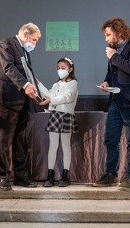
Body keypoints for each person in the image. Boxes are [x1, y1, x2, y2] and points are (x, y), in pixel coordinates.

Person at [93, 17, 130, 191]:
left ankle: (129, 176)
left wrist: (114, 56)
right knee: (111, 140)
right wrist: (106, 82)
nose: (106, 39)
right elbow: (111, 73)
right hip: (114, 101)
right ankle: (111, 175)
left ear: (119, 32)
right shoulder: (113, 51)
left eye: (108, 35)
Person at [0, 23, 42, 191]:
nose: (35, 43)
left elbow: (28, 74)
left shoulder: (25, 52)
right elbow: (8, 68)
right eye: (34, 39)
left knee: (20, 141)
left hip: (22, 102)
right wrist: (26, 85)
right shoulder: (7, 44)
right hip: (6, 100)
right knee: (3, 141)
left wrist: (37, 92)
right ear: (26, 34)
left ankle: (20, 175)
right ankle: (2, 176)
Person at [37, 57, 79, 187]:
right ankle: (50, 176)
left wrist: (51, 100)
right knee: (53, 146)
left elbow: (68, 97)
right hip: (55, 115)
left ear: (70, 69)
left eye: (63, 68)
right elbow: (49, 95)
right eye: (58, 68)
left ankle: (65, 176)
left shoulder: (73, 83)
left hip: (66, 115)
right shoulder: (56, 85)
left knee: (66, 146)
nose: (60, 71)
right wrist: (38, 84)